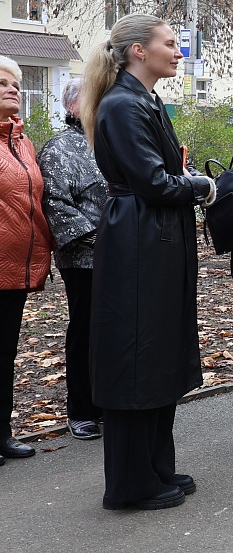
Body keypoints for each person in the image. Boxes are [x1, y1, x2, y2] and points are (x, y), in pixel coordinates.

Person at [79, 14, 216, 509]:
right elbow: (154, 182)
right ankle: (131, 484)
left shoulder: (144, 100)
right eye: (170, 43)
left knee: (157, 352)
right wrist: (200, 185)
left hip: (153, 235)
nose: (179, 52)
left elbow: (159, 176)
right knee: (136, 353)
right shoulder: (123, 104)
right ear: (139, 50)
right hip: (138, 238)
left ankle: (155, 466)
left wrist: (185, 183)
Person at [37, 78, 105, 442]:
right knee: (86, 331)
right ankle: (82, 410)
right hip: (84, 258)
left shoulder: (110, 140)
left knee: (115, 331)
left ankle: (109, 401)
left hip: (125, 254)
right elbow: (55, 204)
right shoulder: (59, 148)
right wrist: (102, 239)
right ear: (71, 106)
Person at [1, 56, 54, 464]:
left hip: (16, 268)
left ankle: (2, 434)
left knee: (4, 354)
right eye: (2, 84)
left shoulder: (23, 143)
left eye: (16, 84)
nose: (12, 90)